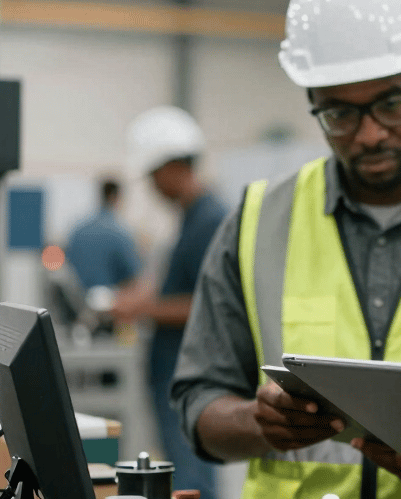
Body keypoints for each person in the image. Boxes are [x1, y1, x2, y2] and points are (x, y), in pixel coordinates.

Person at [169, 1, 401, 498]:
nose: (369, 135)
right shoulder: (258, 221)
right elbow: (199, 404)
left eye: (391, 104)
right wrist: (259, 421)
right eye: (339, 114)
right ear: (312, 102)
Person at [113, 105, 227, 499]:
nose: (152, 186)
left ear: (171, 166)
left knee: (193, 481)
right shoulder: (190, 218)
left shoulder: (211, 220)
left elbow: (208, 305)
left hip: (190, 375)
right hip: (174, 370)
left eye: (153, 176)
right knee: (182, 474)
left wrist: (139, 310)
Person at [64, 178, 141, 291]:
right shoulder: (119, 232)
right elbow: (133, 274)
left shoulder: (78, 230)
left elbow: (68, 264)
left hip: (78, 301)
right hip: (111, 301)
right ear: (115, 197)